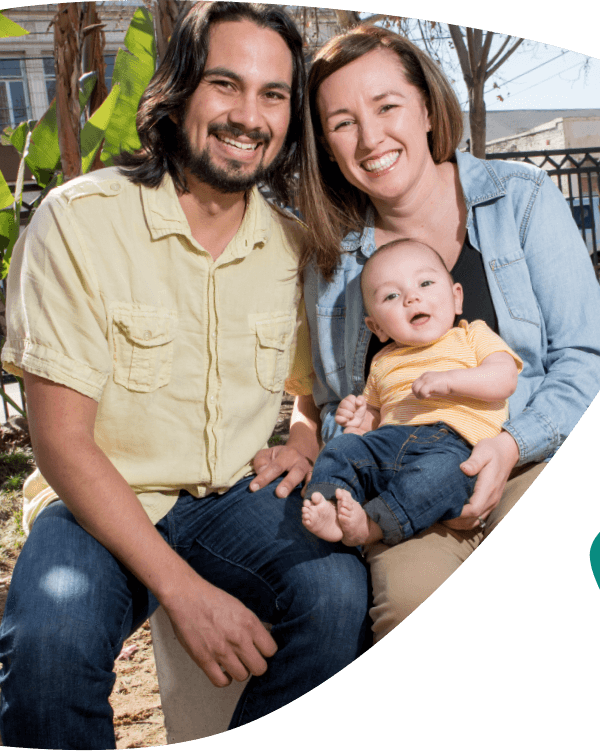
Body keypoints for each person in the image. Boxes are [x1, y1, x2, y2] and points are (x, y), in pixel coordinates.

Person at [0, 3, 369, 748]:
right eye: (225, 85)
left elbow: (309, 392)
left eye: (273, 95)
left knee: (335, 596)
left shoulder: (293, 248)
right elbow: (62, 441)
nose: (249, 116)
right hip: (97, 496)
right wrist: (182, 589)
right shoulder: (80, 222)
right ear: (177, 93)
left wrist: (301, 444)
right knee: (49, 647)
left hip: (234, 496)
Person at [296, 25, 600, 642]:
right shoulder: (334, 264)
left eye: (387, 106)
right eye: (342, 123)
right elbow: (339, 399)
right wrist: (357, 429)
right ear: (327, 145)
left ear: (425, 107)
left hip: (527, 453)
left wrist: (509, 447)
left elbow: (589, 361)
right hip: (406, 484)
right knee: (406, 605)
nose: (370, 139)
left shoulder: (520, 199)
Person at [301, 238, 523, 548]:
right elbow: (375, 418)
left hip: (454, 447)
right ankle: (330, 503)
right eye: (392, 295)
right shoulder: (382, 361)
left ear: (456, 297)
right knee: (342, 448)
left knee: (436, 477)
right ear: (376, 326)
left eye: (426, 282)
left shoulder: (472, 335)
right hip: (389, 443)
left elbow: (504, 379)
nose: (412, 298)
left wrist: (450, 381)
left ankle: (373, 526)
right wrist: (358, 419)